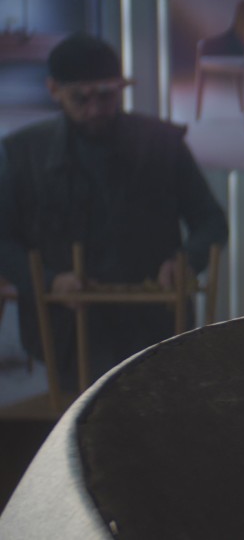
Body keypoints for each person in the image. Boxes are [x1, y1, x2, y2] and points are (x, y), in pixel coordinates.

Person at [0, 33, 229, 392]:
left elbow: (211, 222)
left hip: (152, 331)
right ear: (53, 89)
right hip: (65, 332)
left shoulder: (161, 144)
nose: (94, 109)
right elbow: (4, 242)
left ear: (120, 87)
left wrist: (187, 261)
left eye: (105, 95)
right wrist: (49, 282)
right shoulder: (23, 154)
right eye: (81, 98)